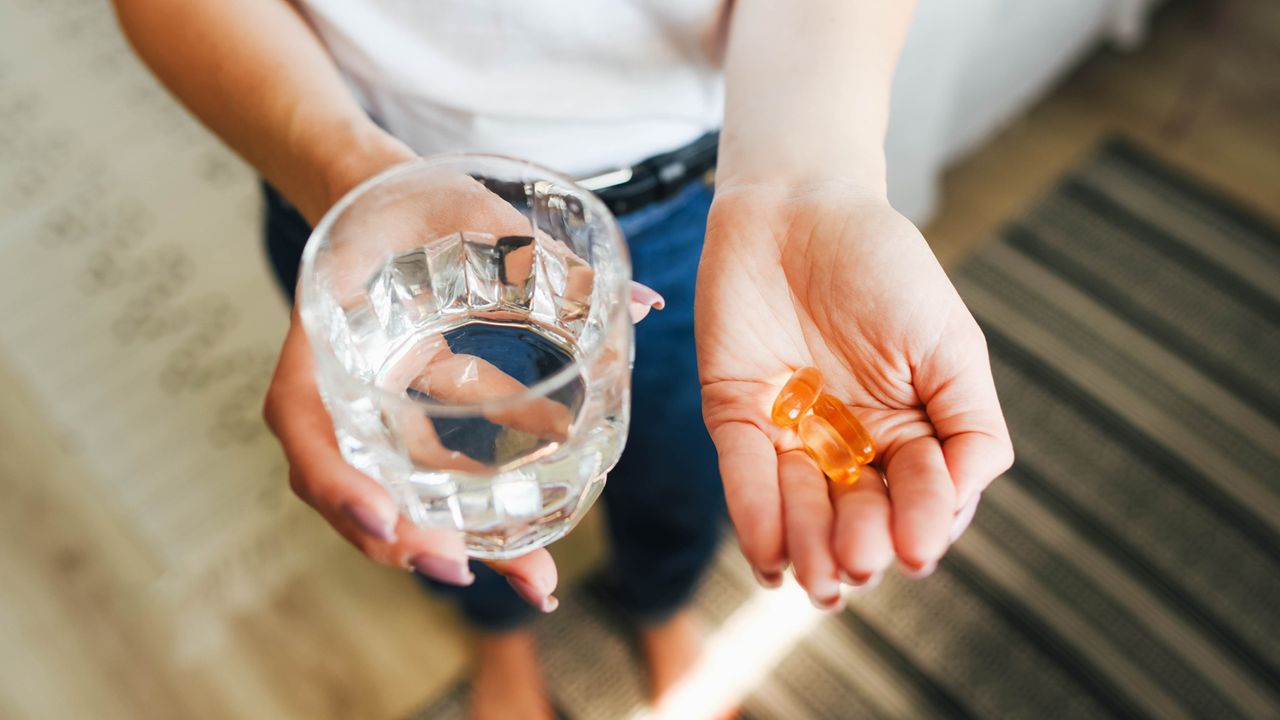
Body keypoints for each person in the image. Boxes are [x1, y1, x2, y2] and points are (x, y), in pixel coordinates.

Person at [113, 1, 1014, 717]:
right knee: (457, 492)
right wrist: (346, 171)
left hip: (697, 209)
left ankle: (664, 612)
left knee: (685, 473)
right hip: (373, 208)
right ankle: (499, 639)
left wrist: (809, 179)